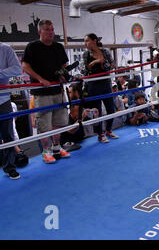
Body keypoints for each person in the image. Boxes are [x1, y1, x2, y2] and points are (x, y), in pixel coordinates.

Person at [21, 19, 71, 164]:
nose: (50, 32)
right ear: (40, 31)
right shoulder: (32, 47)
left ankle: (57, 147)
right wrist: (40, 79)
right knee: (44, 124)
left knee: (58, 121)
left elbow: (64, 64)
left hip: (57, 90)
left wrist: (62, 75)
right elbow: (25, 66)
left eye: (52, 29)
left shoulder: (58, 47)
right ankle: (46, 151)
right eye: (47, 29)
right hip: (41, 92)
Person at [82, 33, 119, 143]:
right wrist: (96, 61)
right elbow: (85, 68)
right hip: (93, 84)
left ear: (94, 41)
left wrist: (105, 64)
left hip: (106, 83)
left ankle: (108, 130)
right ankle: (100, 134)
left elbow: (113, 65)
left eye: (87, 41)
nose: (85, 44)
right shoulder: (86, 54)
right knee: (97, 111)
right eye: (84, 41)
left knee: (111, 109)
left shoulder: (105, 52)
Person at [0, 42, 23, 179]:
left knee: (8, 135)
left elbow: (17, 69)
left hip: (3, 99)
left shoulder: (5, 49)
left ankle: (10, 167)